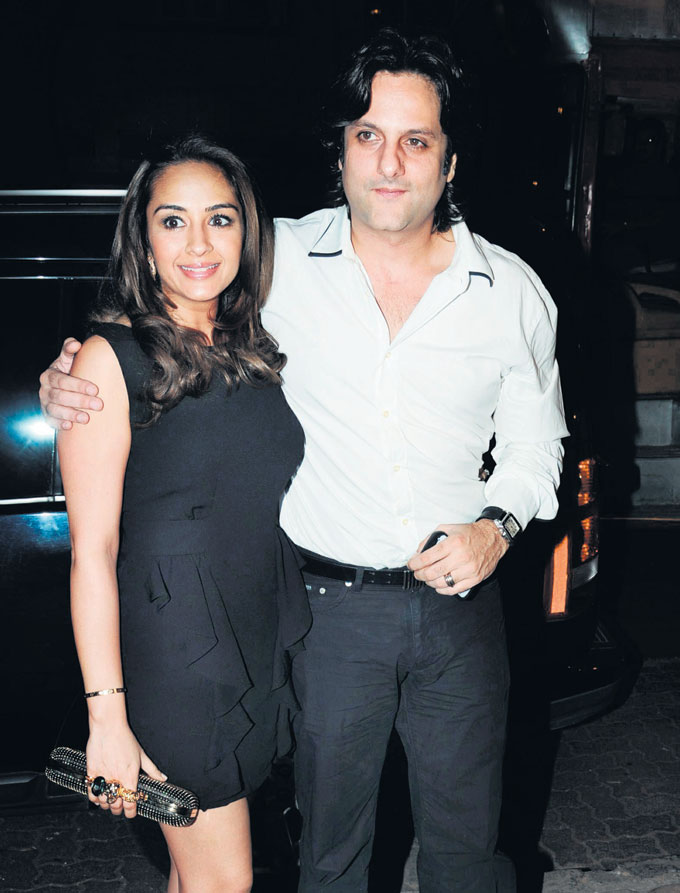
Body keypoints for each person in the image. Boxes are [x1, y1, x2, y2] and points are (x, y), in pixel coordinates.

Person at [41, 28, 568, 893]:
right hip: (327, 619)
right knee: (329, 858)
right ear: (343, 151)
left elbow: (538, 442)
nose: (389, 162)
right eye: (368, 135)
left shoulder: (511, 292)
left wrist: (497, 526)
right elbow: (166, 305)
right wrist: (70, 371)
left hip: (462, 616)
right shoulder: (273, 259)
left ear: (450, 161)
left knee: (469, 854)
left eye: (416, 140)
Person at [55, 136, 310, 893]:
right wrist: (107, 717)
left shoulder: (255, 345)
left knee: (195, 874)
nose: (199, 243)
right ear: (142, 237)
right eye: (173, 221)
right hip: (178, 655)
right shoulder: (109, 358)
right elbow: (92, 553)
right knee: (224, 881)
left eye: (219, 219)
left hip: (254, 630)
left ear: (246, 230)